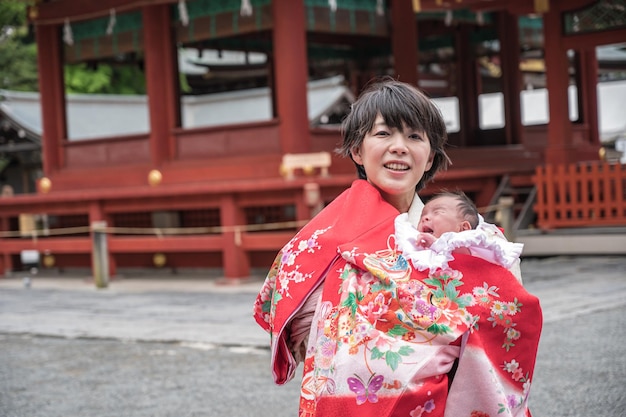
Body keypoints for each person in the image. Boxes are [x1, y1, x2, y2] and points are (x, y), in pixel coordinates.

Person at [253, 78, 542, 417]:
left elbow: (505, 305)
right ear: (357, 150)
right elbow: (292, 317)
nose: (399, 146)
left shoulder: (469, 235)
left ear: (431, 156)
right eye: (383, 134)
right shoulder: (326, 238)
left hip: (443, 398)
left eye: (414, 136)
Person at [394, 190, 524, 280]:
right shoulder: (421, 247)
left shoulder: (469, 241)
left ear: (463, 228)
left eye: (437, 212)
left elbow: (457, 253)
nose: (425, 218)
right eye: (423, 215)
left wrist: (435, 243)